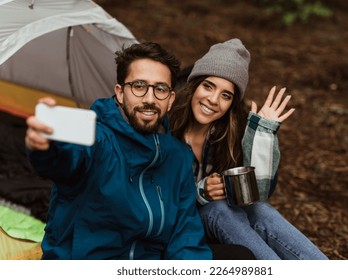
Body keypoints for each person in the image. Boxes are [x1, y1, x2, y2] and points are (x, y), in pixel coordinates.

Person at [24, 42, 214, 260]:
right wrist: (46, 146)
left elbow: (185, 237)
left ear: (170, 99)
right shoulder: (96, 137)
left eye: (160, 89)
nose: (150, 99)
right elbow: (66, 158)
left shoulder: (178, 157)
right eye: (139, 86)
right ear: (121, 93)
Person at [169, 38, 328, 260]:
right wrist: (200, 192)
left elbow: (257, 194)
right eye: (208, 86)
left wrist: (263, 135)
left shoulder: (226, 134)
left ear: (232, 103)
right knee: (217, 209)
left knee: (260, 210)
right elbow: (154, 198)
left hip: (222, 226)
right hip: (179, 230)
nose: (214, 100)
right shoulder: (166, 129)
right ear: (194, 85)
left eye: (226, 95)